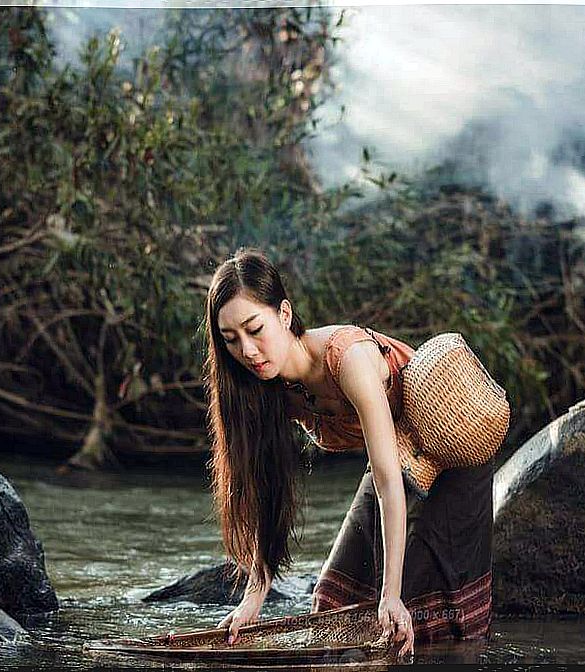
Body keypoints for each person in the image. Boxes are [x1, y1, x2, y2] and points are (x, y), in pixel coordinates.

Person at [205, 248, 495, 659]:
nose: (248, 351)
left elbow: (388, 482)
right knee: (332, 601)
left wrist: (391, 595)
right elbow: (266, 490)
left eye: (255, 329)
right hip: (397, 461)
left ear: (284, 314)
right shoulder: (269, 389)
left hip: (453, 453)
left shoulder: (348, 358)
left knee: (427, 617)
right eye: (231, 340)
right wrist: (254, 597)